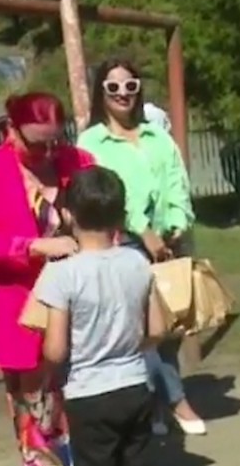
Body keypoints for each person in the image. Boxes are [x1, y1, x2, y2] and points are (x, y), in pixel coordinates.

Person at [0, 92, 95, 466]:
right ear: (11, 129)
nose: (48, 153)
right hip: (23, 312)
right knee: (38, 418)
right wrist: (35, 246)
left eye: (56, 140)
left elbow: (107, 217)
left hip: (84, 308)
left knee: (89, 409)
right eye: (37, 143)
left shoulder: (80, 162)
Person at [76, 59, 205, 436]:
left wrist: (177, 221)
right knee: (139, 329)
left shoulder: (157, 136)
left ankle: (159, 405)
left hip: (170, 240)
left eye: (130, 86)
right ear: (101, 92)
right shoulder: (91, 143)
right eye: (113, 87)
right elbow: (106, 192)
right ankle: (173, 401)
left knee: (170, 323)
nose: (123, 94)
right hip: (124, 242)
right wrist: (142, 229)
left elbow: (176, 180)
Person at [32, 166, 167, 466]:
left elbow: (56, 349)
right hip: (135, 386)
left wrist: (47, 375)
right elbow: (158, 329)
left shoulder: (61, 273)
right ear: (121, 217)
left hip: (87, 394)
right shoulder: (138, 262)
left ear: (68, 215)